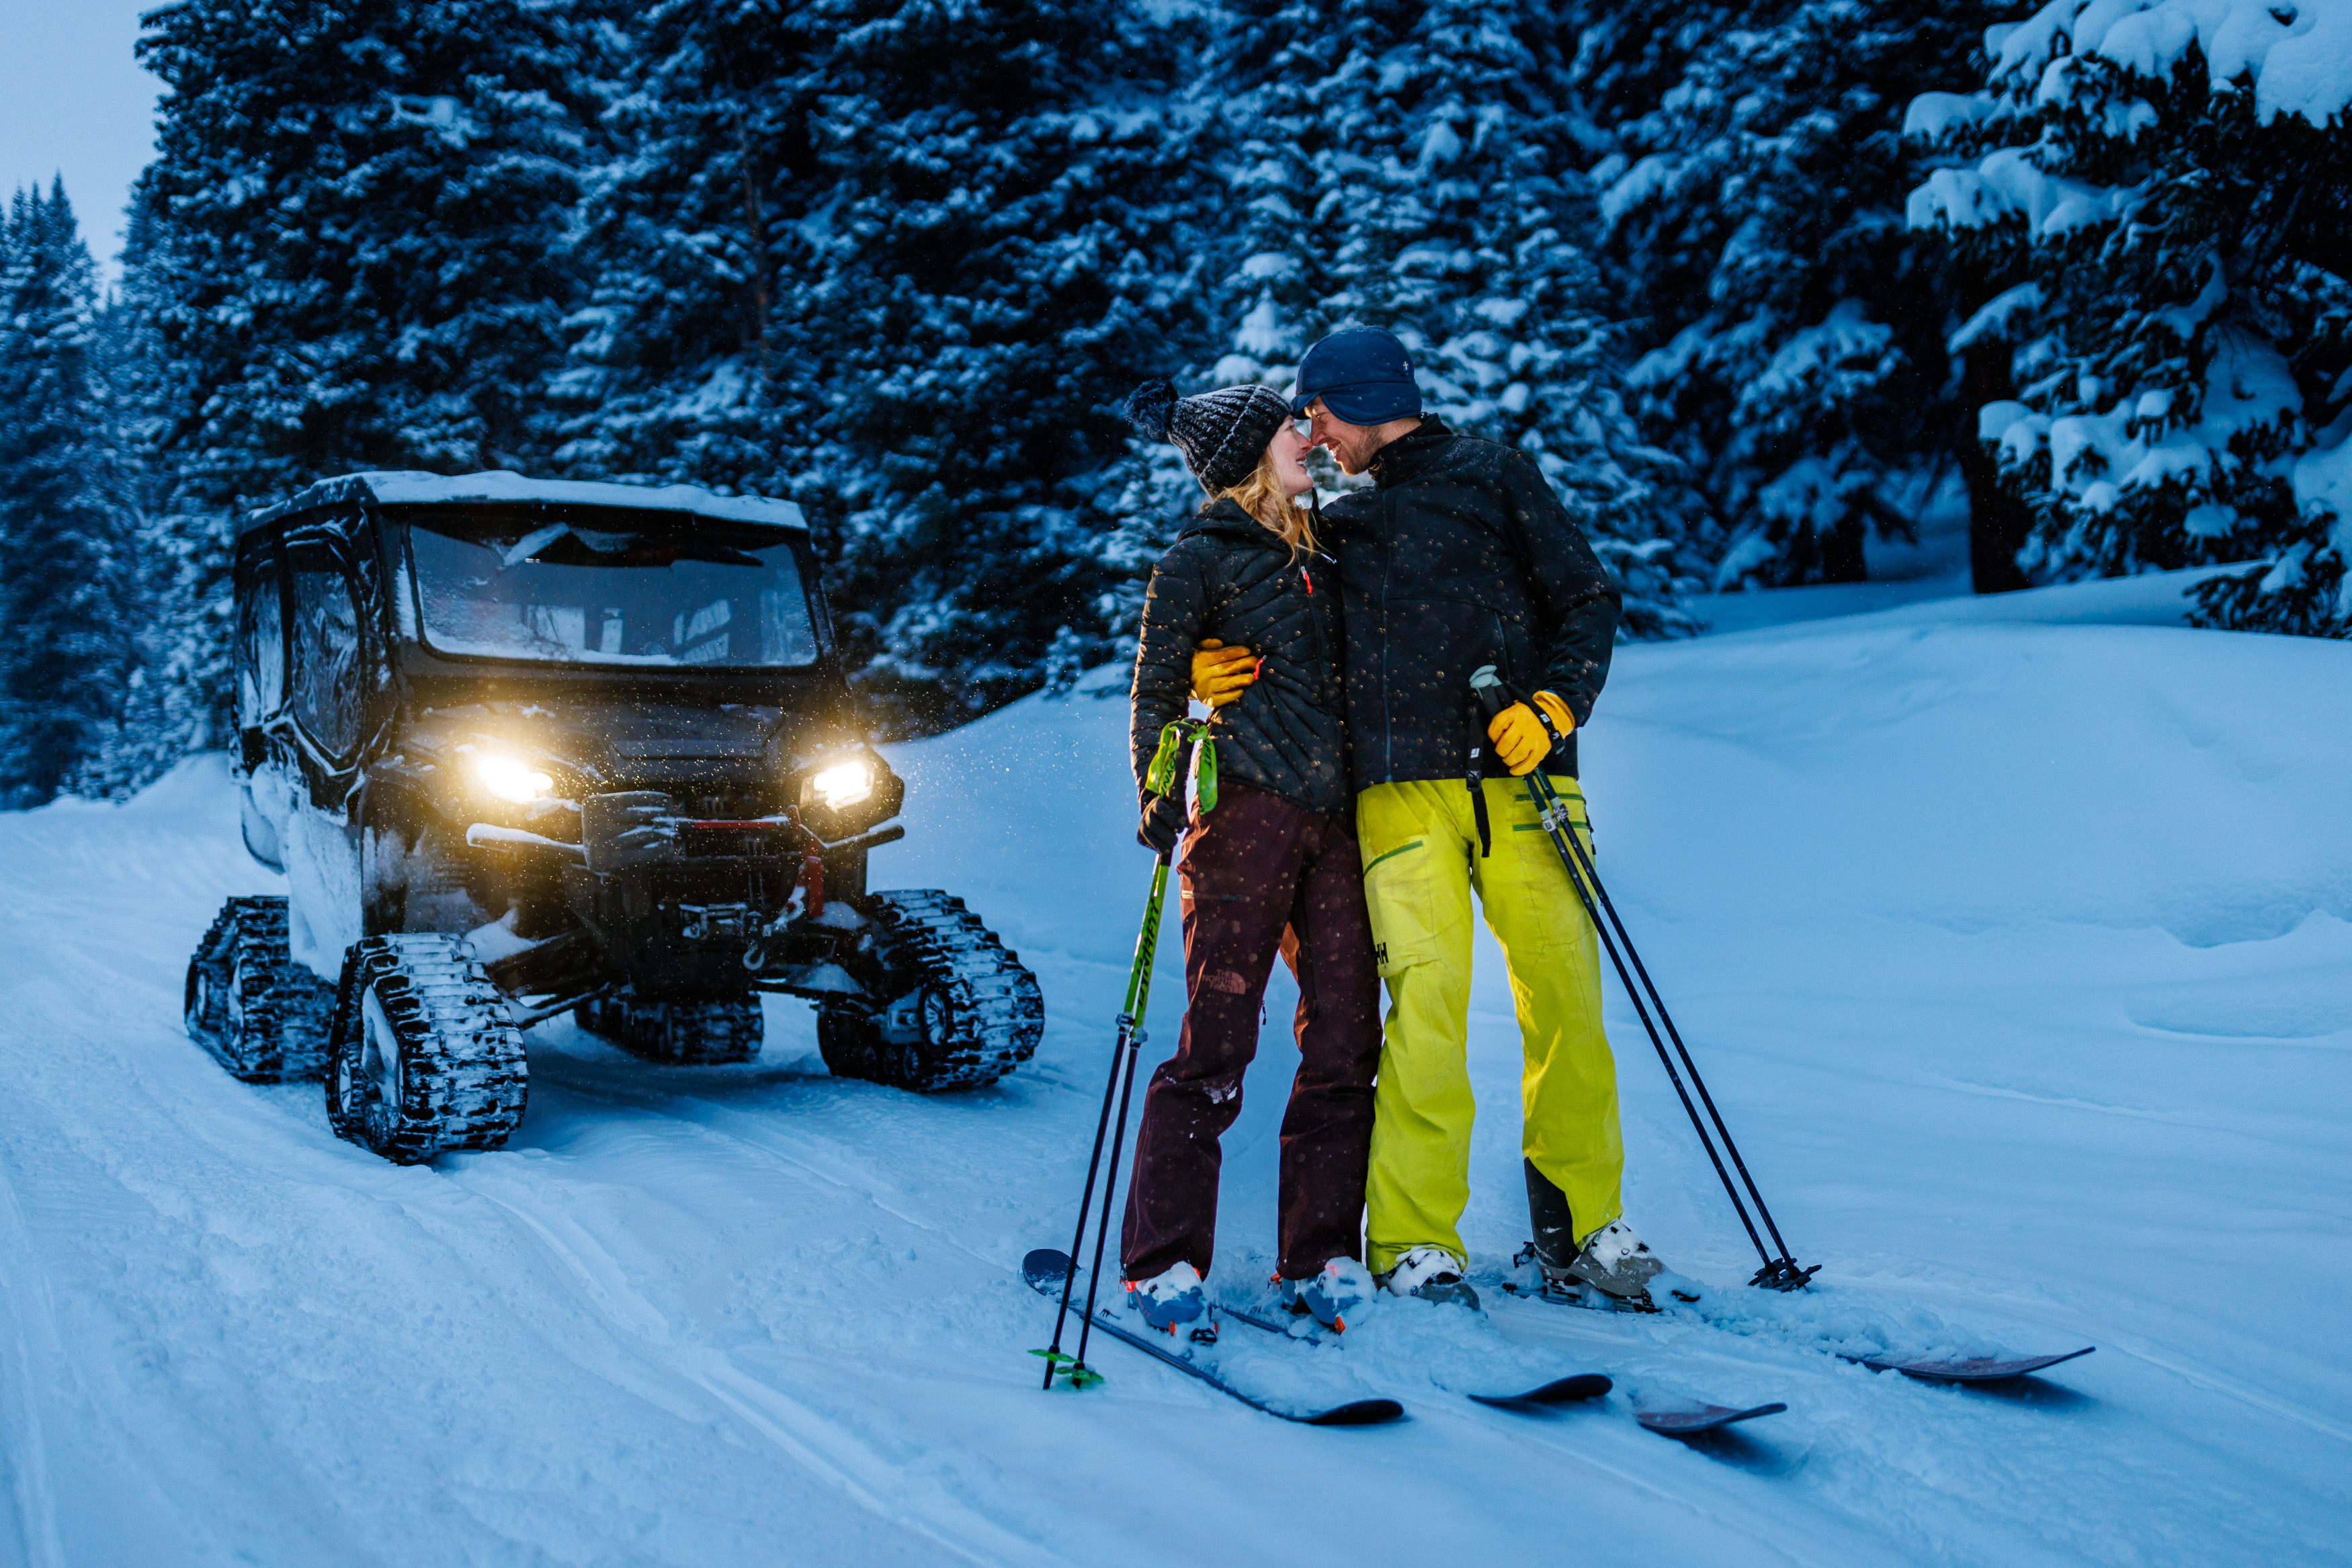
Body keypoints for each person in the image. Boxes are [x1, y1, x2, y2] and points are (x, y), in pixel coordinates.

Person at [1193, 325, 1670, 1311]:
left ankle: (1582, 1227)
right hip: (1398, 793)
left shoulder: (1496, 475)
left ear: (1358, 396)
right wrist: (1206, 662)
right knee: (1428, 1005)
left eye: (1319, 414)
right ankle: (1414, 1241)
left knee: (1567, 998)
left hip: (1527, 779)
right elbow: (1247, 582)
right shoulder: (1335, 525)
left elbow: (1588, 597)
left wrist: (1556, 704)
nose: (1314, 436)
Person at [1116, 378, 1386, 1338]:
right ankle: (1161, 1260)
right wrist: (1157, 789)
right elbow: (1152, 694)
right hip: (1243, 818)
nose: (1307, 436)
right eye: (1287, 427)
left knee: (1349, 1036)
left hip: (1336, 822)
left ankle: (1319, 1254)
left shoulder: (1335, 547)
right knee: (1219, 1041)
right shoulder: (1199, 555)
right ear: (1244, 453)